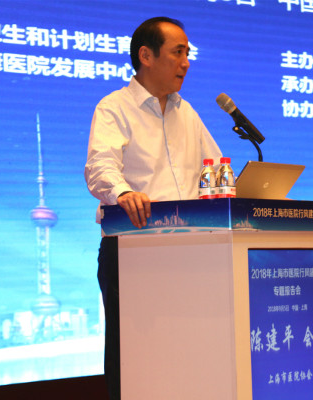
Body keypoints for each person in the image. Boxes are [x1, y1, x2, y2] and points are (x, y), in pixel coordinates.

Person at [84, 16, 222, 399]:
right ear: (146, 56)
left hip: (191, 251)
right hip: (134, 248)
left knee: (187, 350)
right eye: (178, 52)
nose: (186, 63)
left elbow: (214, 170)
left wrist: (248, 195)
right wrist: (122, 192)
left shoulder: (186, 112)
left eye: (188, 53)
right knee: (133, 357)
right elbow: (100, 167)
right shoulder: (114, 108)